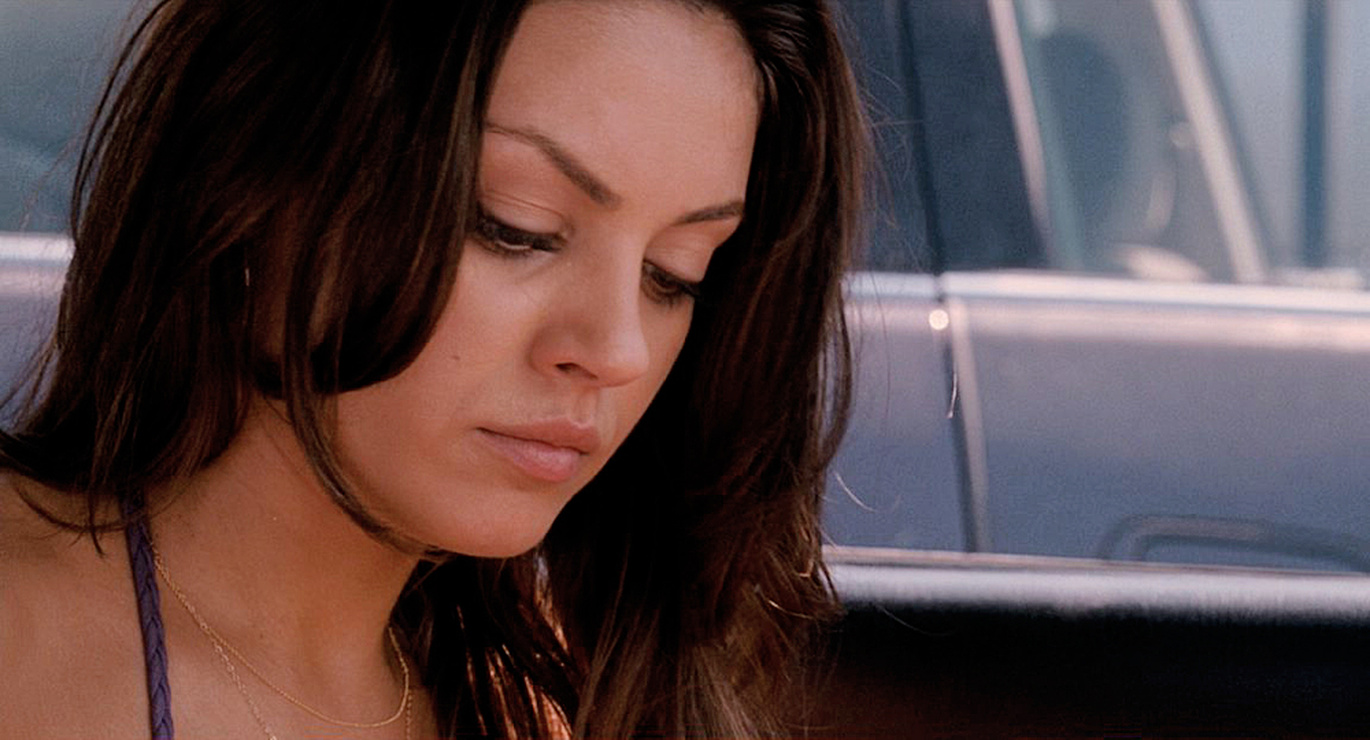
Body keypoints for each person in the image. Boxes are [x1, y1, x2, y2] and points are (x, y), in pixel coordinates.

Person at [0, 0, 865, 736]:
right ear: (248, 179)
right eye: (516, 226)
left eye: (675, 273)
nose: (617, 351)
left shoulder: (552, 708)